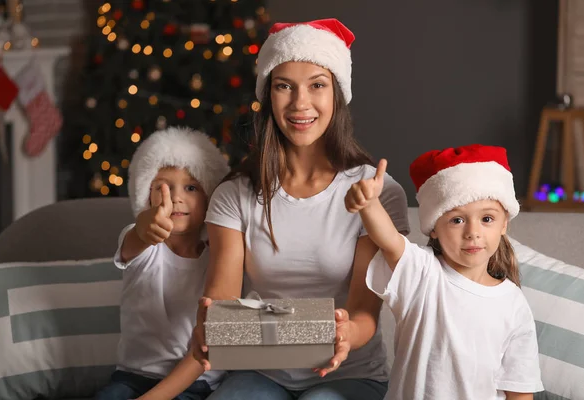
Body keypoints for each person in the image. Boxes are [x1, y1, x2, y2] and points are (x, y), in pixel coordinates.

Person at [192, 18, 409, 400]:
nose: (300, 104)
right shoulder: (234, 195)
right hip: (260, 374)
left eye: (317, 85)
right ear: (267, 96)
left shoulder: (373, 192)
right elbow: (222, 304)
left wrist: (345, 335)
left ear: (337, 95)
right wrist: (210, 329)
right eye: (283, 86)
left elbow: (364, 315)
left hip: (349, 375)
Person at [345, 144, 544, 399]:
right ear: (434, 228)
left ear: (504, 223)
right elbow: (389, 240)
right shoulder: (421, 273)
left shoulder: (514, 304)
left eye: (487, 219)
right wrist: (370, 204)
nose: (473, 232)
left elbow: (519, 391)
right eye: (457, 220)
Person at [94, 127, 230, 400]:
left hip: (199, 384)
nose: (176, 198)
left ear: (210, 198)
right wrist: (147, 225)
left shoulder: (220, 257)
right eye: (163, 187)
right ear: (146, 195)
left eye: (191, 187)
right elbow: (139, 235)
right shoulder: (142, 246)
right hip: (133, 378)